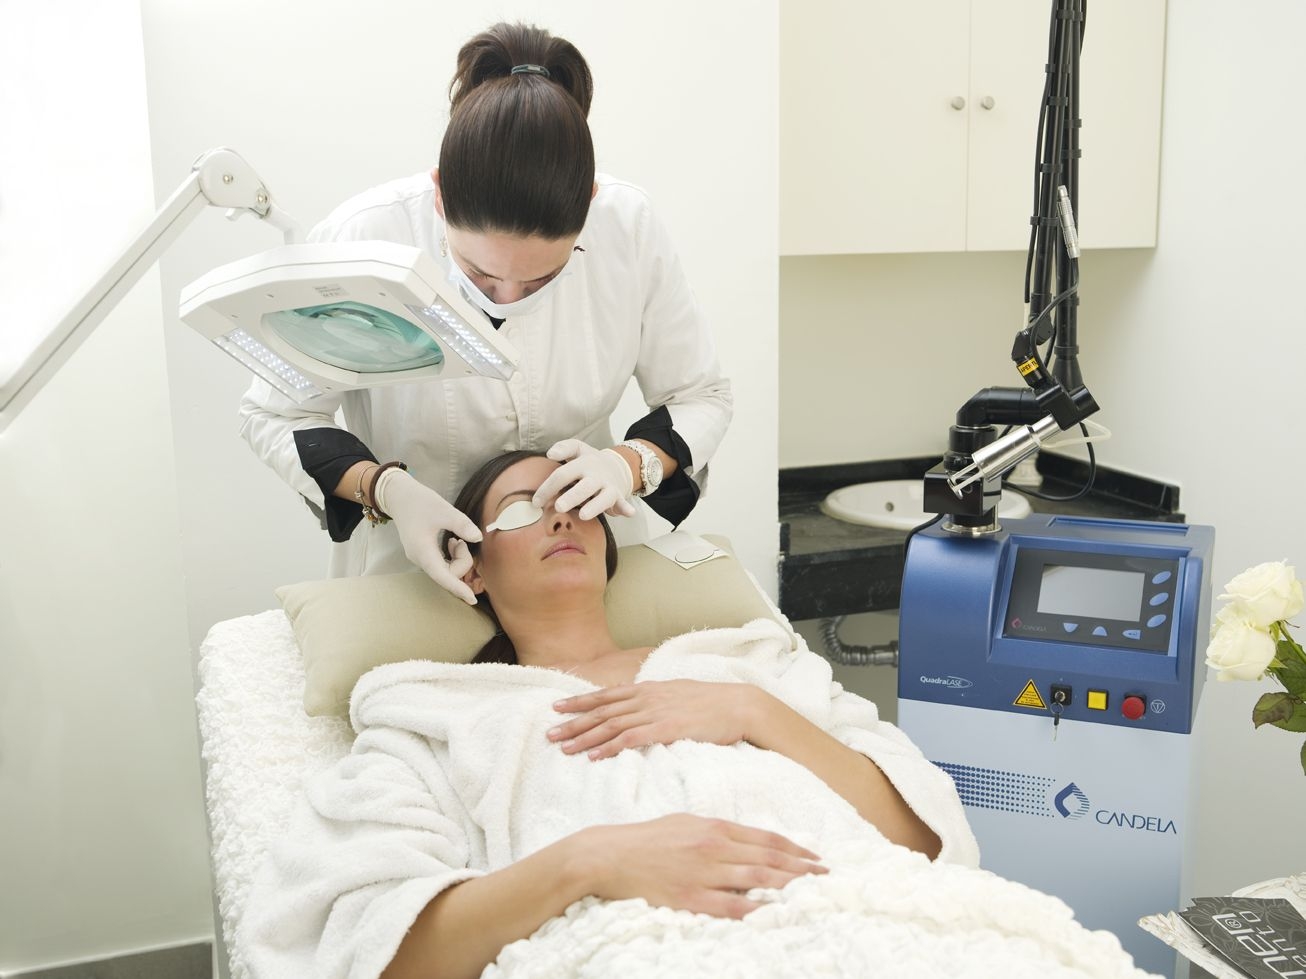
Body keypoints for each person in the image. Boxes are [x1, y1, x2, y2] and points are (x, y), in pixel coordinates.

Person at [240, 451, 1154, 979]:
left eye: (574, 496)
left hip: (888, 921)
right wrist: (591, 860)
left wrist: (752, 712)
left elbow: (921, 837)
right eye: (523, 504)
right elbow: (371, 947)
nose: (559, 515)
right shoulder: (436, 715)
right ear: (468, 566)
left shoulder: (747, 660)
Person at [238, 22, 732, 603]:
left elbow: (700, 396)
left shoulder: (628, 228)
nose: (508, 301)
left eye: (544, 277)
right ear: (441, 194)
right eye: (479, 274)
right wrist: (387, 490)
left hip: (586, 564)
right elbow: (277, 414)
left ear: (590, 204)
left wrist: (627, 465)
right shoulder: (363, 238)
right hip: (416, 574)